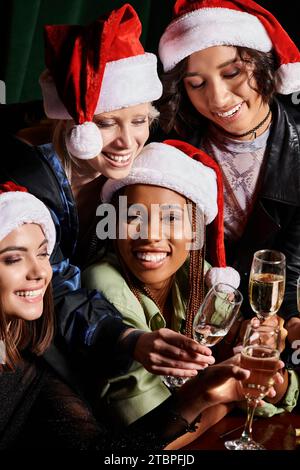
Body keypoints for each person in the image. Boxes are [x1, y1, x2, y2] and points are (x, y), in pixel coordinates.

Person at [0, 3, 208, 384]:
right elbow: (53, 286)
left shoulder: (139, 170)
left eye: (140, 120)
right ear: (72, 122)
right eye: (106, 123)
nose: (127, 141)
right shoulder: (27, 179)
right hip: (29, 339)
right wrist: (126, 338)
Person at [1, 179, 279, 450]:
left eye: (42, 254)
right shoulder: (103, 281)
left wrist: (205, 392)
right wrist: (223, 399)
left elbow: (110, 454)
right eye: (13, 258)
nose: (40, 273)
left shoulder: (29, 365)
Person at [82, 140, 293, 444]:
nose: (151, 235)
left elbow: (248, 364)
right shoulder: (103, 282)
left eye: (171, 218)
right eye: (133, 217)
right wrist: (225, 399)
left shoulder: (193, 271)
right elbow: (148, 437)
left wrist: (266, 364)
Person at [157, 0, 300, 351]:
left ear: (263, 64)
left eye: (232, 73)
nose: (218, 98)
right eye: (196, 83)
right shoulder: (168, 144)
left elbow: (292, 275)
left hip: (263, 323)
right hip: (182, 317)